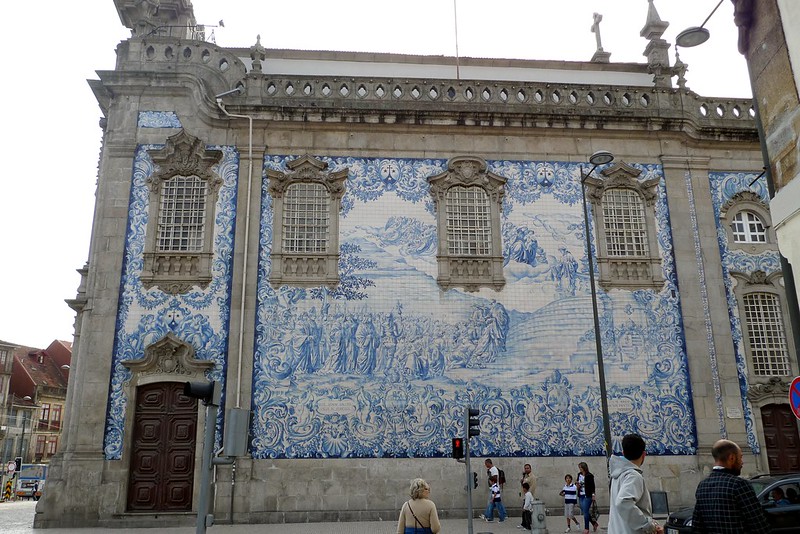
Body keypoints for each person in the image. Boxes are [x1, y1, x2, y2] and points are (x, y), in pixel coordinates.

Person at [691, 439, 769, 534]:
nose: (742, 463)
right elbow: (758, 525)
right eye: (740, 458)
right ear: (732, 458)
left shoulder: (702, 486)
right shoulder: (739, 485)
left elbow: (697, 526)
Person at [607, 433, 663, 534]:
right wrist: (648, 525)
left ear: (623, 453)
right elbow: (623, 502)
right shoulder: (633, 476)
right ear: (644, 454)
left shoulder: (617, 476)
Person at [576, 462, 599, 534]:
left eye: (580, 467)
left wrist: (593, 495)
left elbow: (593, 486)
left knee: (585, 512)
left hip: (587, 495)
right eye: (579, 467)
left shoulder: (590, 476)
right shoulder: (579, 475)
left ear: (584, 468)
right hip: (581, 495)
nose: (580, 469)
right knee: (584, 511)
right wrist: (577, 485)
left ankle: (586, 528)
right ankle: (594, 523)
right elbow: (578, 483)